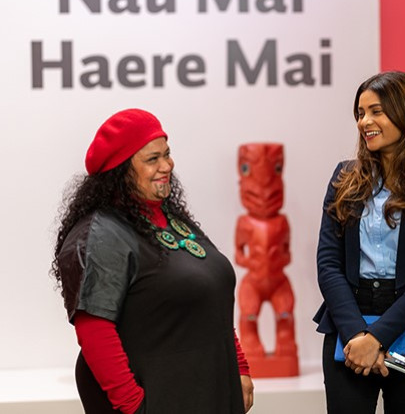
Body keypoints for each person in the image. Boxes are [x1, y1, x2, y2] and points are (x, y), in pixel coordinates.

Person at [51, 108, 254, 414]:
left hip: (208, 392)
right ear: (120, 170)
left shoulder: (173, 220)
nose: (167, 165)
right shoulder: (102, 234)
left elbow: (210, 300)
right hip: (159, 401)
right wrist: (134, 405)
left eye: (167, 154)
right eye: (152, 159)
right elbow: (94, 329)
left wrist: (238, 366)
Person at [314, 71, 405, 413]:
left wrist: (377, 337)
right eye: (360, 113)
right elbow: (328, 265)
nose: (364, 121)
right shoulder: (343, 178)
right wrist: (356, 336)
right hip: (348, 328)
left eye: (376, 111)